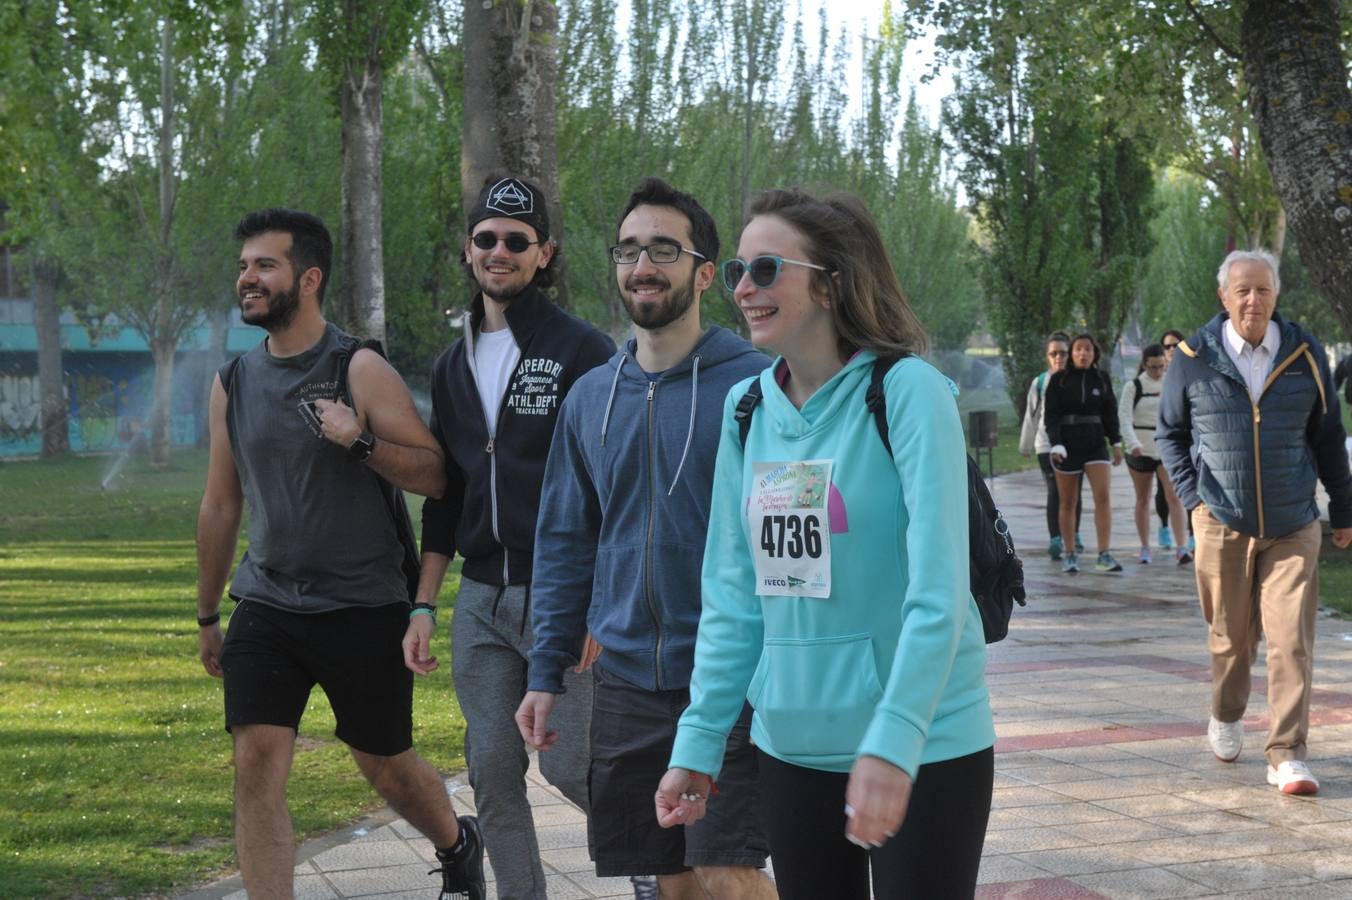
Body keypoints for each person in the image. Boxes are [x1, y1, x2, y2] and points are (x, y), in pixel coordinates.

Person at [657, 188, 995, 899]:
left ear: (831, 282)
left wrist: (895, 737)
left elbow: (939, 593)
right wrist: (700, 740)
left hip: (926, 744)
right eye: (737, 272)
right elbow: (732, 595)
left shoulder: (908, 393)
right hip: (793, 748)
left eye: (768, 267)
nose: (744, 288)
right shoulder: (746, 409)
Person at [195, 209, 483, 899]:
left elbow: (437, 476)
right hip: (266, 602)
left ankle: (456, 842)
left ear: (310, 277)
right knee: (256, 762)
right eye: (244, 266)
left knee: (384, 764)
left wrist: (360, 441)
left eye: (264, 265)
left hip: (363, 605)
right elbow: (220, 505)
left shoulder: (359, 366)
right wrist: (207, 614)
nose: (248, 278)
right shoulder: (233, 381)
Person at [516, 178, 774, 899]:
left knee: (728, 866)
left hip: (732, 676)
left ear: (703, 273)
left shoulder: (756, 389)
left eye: (664, 249)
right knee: (667, 878)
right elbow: (565, 541)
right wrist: (545, 672)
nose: (642, 266)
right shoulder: (591, 397)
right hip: (628, 680)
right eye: (628, 250)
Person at [402, 176, 614, 900]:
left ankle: (667, 868)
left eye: (516, 241)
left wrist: (594, 604)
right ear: (469, 251)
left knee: (571, 766)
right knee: (492, 768)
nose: (499, 251)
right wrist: (424, 606)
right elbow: (446, 494)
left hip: (562, 595)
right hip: (483, 600)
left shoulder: (583, 350)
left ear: (543, 253)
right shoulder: (451, 361)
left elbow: (613, 487)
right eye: (486, 239)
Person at [1157, 249, 1352, 795]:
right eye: (1242, 290)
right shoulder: (1194, 356)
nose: (1252, 300)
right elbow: (1169, 432)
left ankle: (1287, 752)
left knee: (1291, 640)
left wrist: (1343, 506)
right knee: (1231, 640)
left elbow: (1329, 435)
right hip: (1220, 520)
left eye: (1262, 290)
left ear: (1276, 295)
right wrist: (1195, 498)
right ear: (1224, 297)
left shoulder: (1304, 352)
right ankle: (1226, 710)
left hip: (1293, 520)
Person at [1045, 333, 1125, 574]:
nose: (1083, 353)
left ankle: (1104, 554)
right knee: (1068, 502)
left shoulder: (1101, 379)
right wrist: (1056, 443)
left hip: (1095, 444)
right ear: (1072, 353)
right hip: (1067, 447)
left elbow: (1111, 413)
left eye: (1088, 349)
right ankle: (1070, 554)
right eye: (1078, 349)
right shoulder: (1059, 380)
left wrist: (1117, 441)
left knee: (1103, 498)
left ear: (1094, 354)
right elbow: (1051, 416)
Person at [1119, 343, 1190, 565]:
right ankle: (1145, 547)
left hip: (1166, 449)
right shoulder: (1134, 386)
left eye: (1161, 366)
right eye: (1153, 367)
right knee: (1143, 499)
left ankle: (1182, 547)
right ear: (1144, 365)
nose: (1158, 372)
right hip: (1140, 450)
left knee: (1174, 497)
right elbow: (1124, 418)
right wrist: (1133, 443)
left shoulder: (1172, 383)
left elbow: (1182, 415)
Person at [1018, 331, 1083, 559]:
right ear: (1047, 356)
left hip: (1074, 445)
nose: (1058, 357)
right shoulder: (1041, 382)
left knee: (1074, 493)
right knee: (1054, 490)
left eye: (1063, 353)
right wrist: (1026, 445)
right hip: (1046, 445)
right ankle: (1056, 538)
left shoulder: (1077, 380)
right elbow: (1031, 415)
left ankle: (1073, 534)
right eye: (1053, 353)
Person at [1155, 329, 1188, 550]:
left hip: (1187, 439)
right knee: (1163, 489)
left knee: (1184, 488)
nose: (1172, 349)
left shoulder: (1190, 370)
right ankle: (1164, 527)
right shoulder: (1156, 374)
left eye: (1176, 345)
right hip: (1162, 441)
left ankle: (1190, 534)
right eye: (1168, 346)